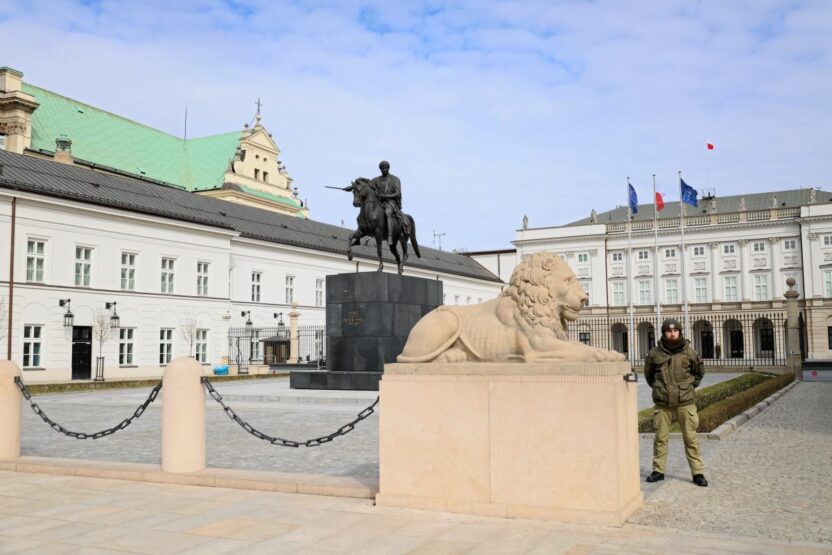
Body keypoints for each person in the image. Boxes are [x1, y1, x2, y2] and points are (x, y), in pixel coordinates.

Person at [644, 318, 708, 487]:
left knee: (691, 439)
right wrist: (659, 389)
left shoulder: (689, 352)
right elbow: (649, 376)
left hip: (685, 404)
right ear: (663, 333)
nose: (672, 334)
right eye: (669, 331)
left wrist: (688, 388)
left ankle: (698, 473)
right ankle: (658, 471)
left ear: (679, 332)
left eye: (675, 331)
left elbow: (699, 373)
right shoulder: (654, 354)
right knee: (660, 439)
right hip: (662, 405)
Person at [370, 160, 407, 243]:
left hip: (390, 202)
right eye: (382, 168)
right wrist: (354, 186)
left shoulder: (395, 179)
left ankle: (389, 237)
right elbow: (367, 185)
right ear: (380, 169)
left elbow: (398, 193)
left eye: (386, 168)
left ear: (388, 168)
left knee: (388, 212)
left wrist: (385, 196)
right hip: (379, 202)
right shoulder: (375, 180)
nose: (384, 169)